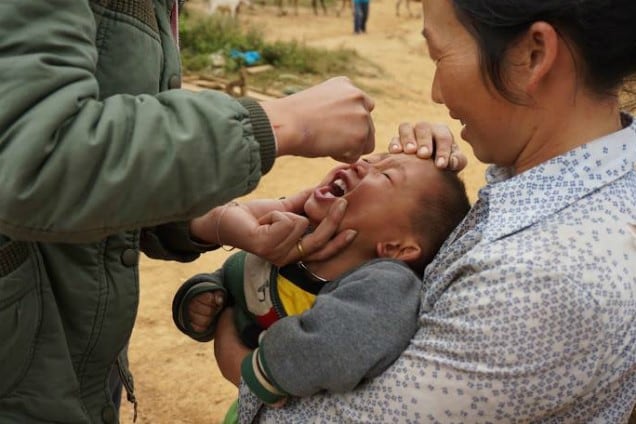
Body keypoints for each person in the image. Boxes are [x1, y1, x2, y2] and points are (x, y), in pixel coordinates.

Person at [213, 0, 636, 422]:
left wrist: (238, 358)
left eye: (439, 55)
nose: (436, 91)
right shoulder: (588, 192)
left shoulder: (537, 284)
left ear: (533, 55)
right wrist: (417, 189)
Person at [172, 153, 470, 413]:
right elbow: (237, 275)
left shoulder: (387, 287)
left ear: (396, 247)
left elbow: (325, 354)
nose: (362, 164)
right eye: (372, 159)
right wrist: (206, 295)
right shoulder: (296, 238)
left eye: (386, 175)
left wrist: (250, 366)